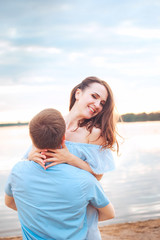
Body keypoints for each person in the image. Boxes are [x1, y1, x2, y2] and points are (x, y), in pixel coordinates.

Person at [24, 76, 119, 239]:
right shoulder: (51, 124)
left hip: (81, 220)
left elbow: (97, 175)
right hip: (52, 216)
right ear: (78, 93)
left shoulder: (94, 134)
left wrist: (69, 158)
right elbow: (29, 170)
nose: (97, 105)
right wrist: (31, 157)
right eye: (94, 96)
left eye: (102, 103)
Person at [5, 108, 115, 240]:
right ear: (64, 138)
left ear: (31, 138)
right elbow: (109, 214)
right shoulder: (85, 180)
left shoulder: (17, 171)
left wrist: (41, 216)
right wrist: (73, 220)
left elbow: (10, 203)